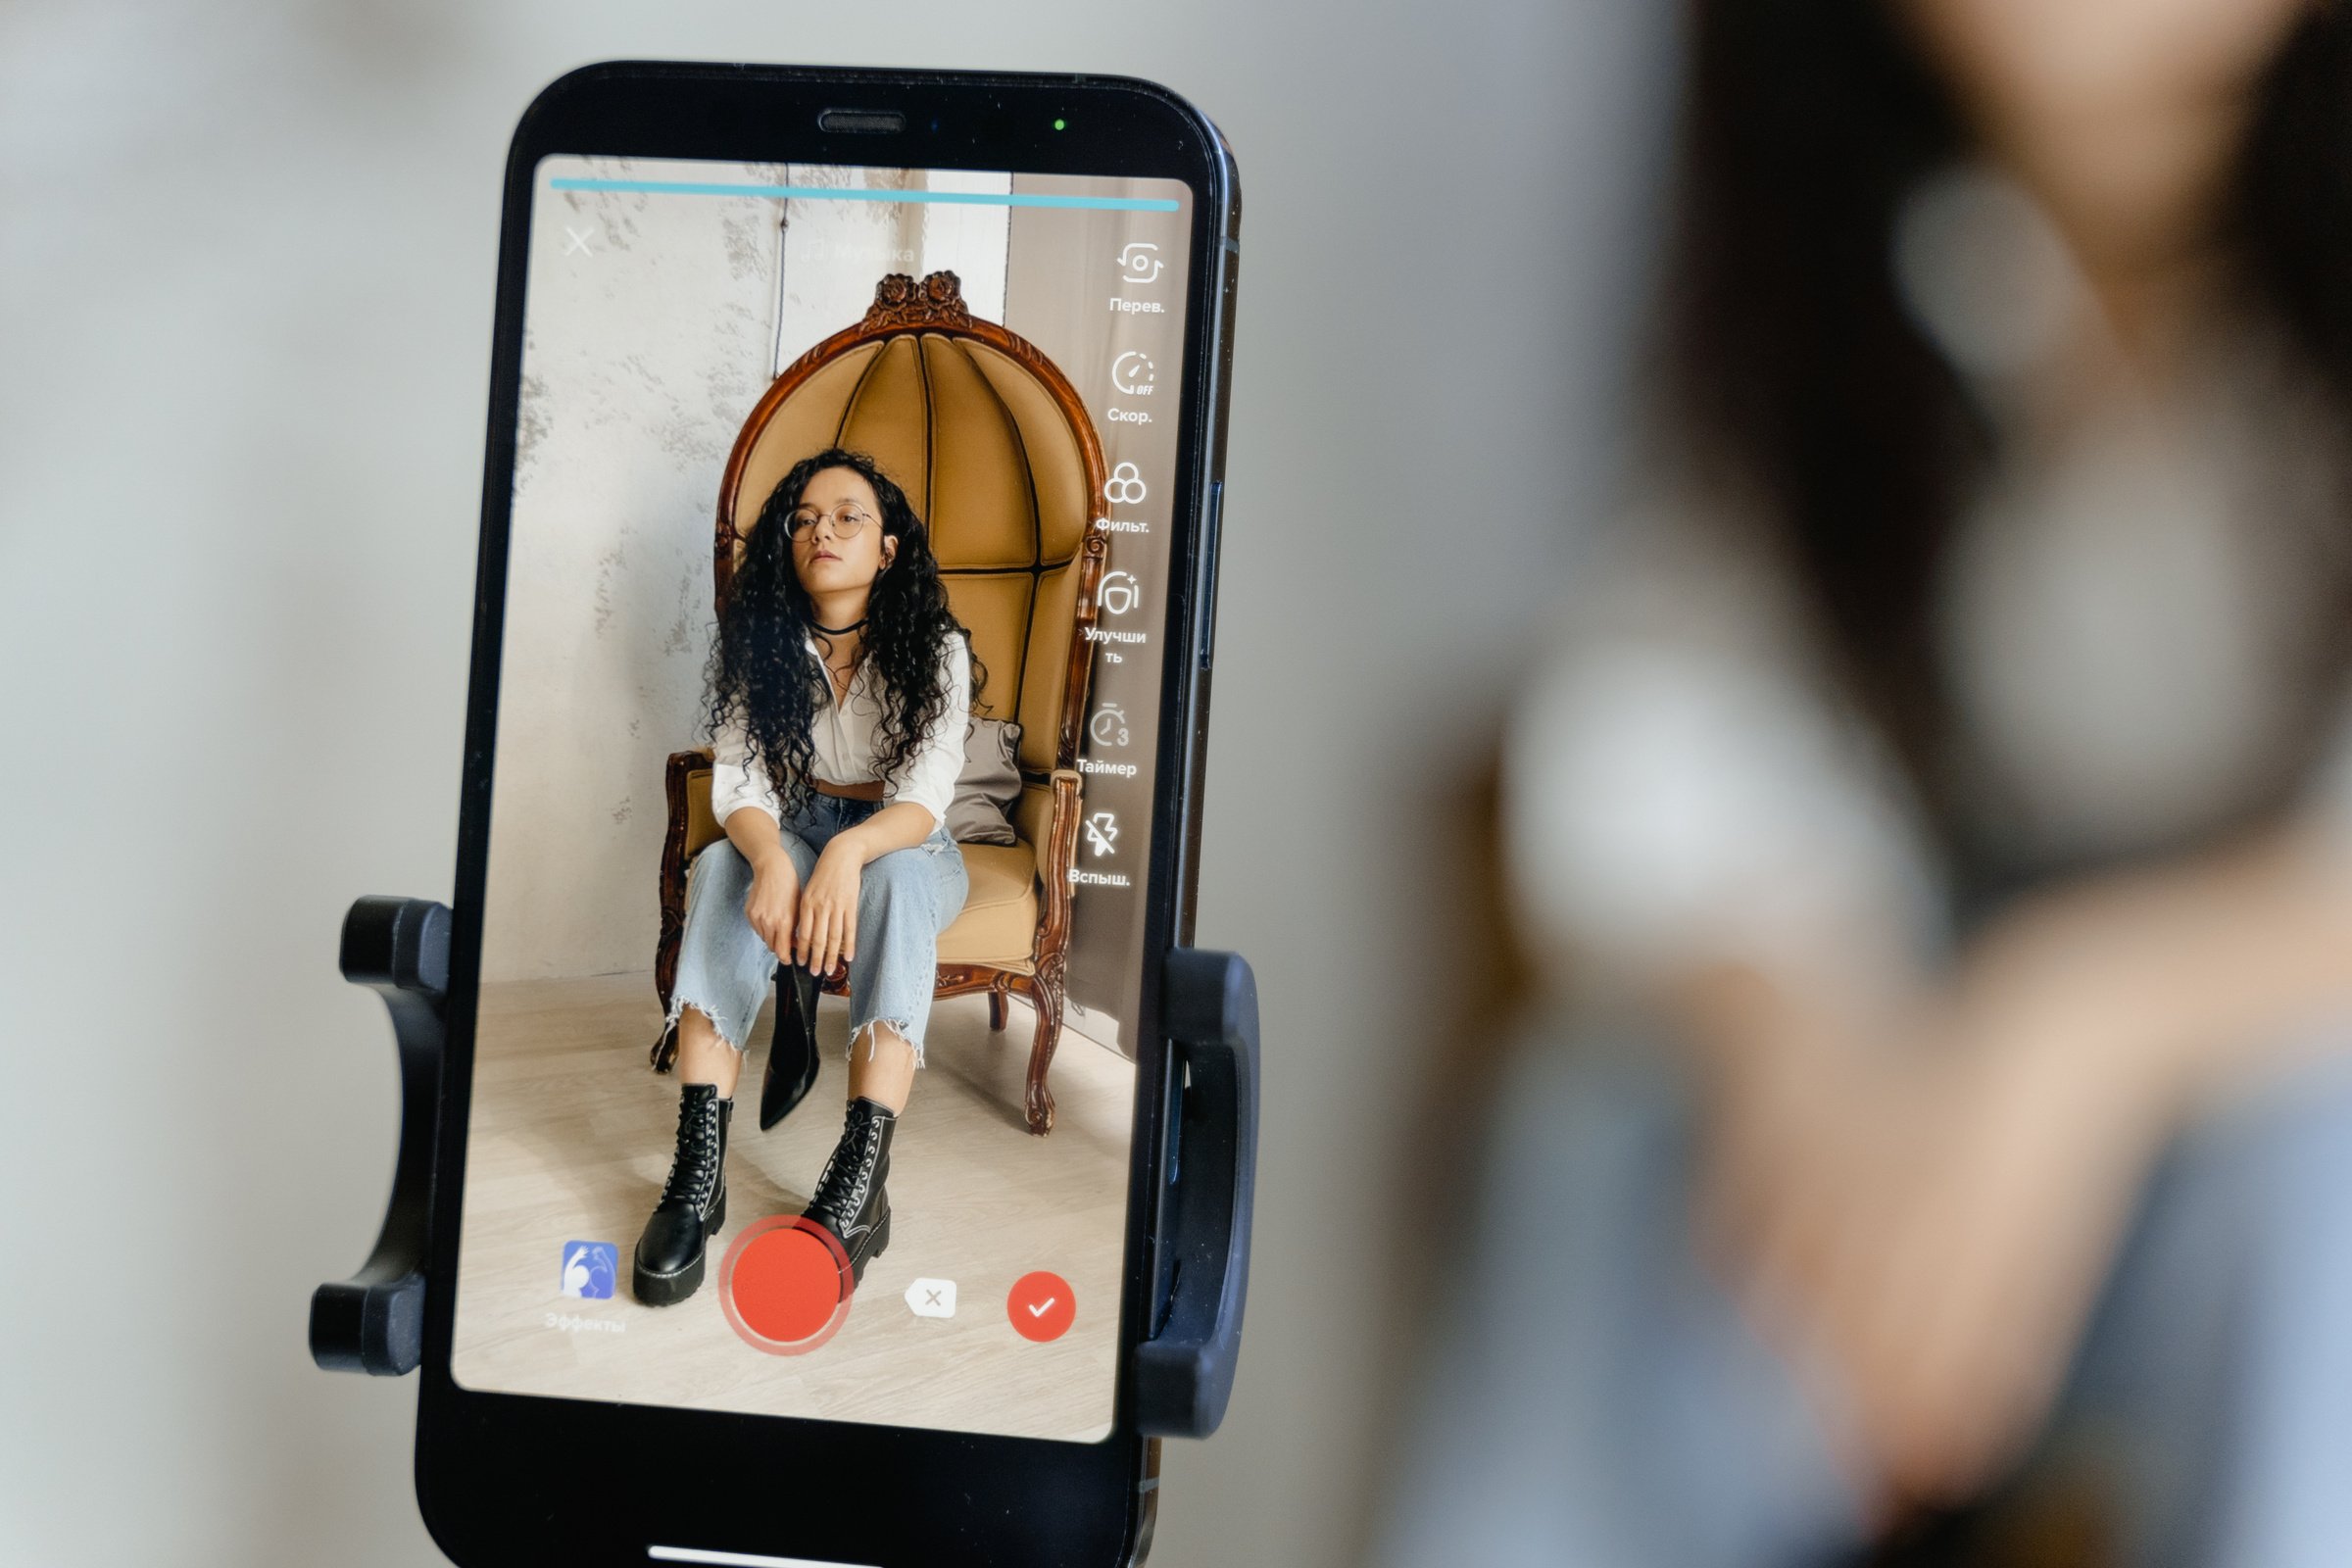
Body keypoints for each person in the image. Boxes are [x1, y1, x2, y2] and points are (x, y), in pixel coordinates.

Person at [1381, 2, 2352, 1564]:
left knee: (2328, 1155)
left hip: (2249, 1079)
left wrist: (2082, 1022)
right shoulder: (1843, 246)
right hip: (1914, 1045)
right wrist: (1801, 1030)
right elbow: (1670, 706)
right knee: (1599, 1123)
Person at [633, 447, 974, 1308]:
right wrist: (773, 856)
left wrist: (852, 854)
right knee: (717, 863)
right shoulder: (769, 646)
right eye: (806, 519)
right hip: (795, 821)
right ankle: (696, 1170)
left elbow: (926, 799)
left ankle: (862, 1181)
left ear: (888, 546)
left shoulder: (935, 649)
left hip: (908, 843)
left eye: (849, 515)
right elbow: (741, 779)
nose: (824, 530)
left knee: (891, 880)